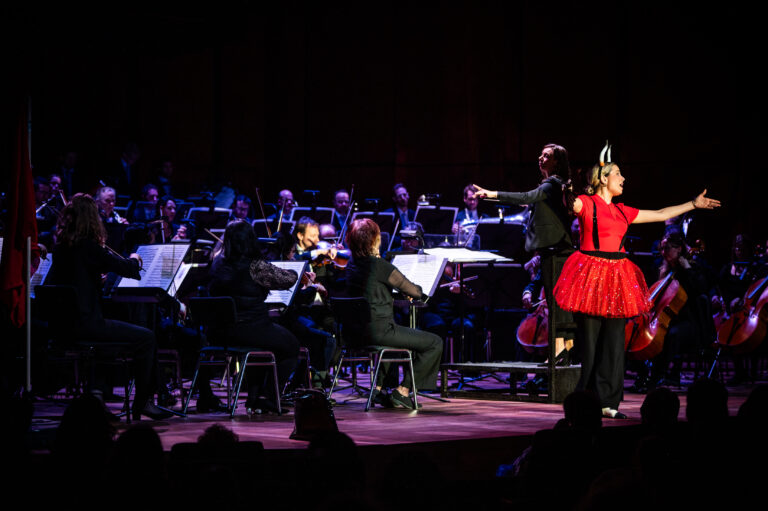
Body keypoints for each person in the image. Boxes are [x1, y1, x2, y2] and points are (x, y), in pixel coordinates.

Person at [552, 155, 720, 419]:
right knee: (591, 345)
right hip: (591, 279)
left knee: (615, 344)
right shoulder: (587, 203)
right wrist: (566, 184)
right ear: (603, 178)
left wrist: (692, 204)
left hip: (617, 277)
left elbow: (661, 214)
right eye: (618, 173)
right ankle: (586, 402)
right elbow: (568, 203)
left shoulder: (623, 211)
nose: (624, 178)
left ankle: (609, 402)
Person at [46, 194, 172, 420]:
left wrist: (96, 279)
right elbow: (128, 269)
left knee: (113, 337)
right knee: (147, 337)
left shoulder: (61, 248)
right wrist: (135, 257)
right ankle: (142, 402)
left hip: (62, 327)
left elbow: (72, 282)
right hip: (87, 325)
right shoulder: (90, 247)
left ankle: (97, 395)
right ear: (92, 219)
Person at [474, 143, 576, 364]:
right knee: (558, 309)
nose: (540, 158)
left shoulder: (552, 184)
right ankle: (561, 355)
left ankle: (561, 355)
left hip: (557, 253)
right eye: (541, 154)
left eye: (546, 156)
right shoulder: (553, 185)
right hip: (554, 252)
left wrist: (492, 194)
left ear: (557, 161)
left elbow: (526, 197)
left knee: (558, 310)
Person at [344, 218, 443, 409]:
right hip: (379, 332)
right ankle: (403, 391)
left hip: (354, 334)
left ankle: (378, 389)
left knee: (395, 340)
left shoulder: (351, 265)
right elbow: (415, 291)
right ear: (374, 240)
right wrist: (414, 291)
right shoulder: (378, 265)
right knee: (434, 343)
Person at [208, 220, 301, 413]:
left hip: (220, 332)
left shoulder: (217, 263)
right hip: (250, 327)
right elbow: (288, 279)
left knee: (266, 345)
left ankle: (254, 398)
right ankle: (268, 397)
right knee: (291, 346)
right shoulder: (255, 266)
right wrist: (292, 268)